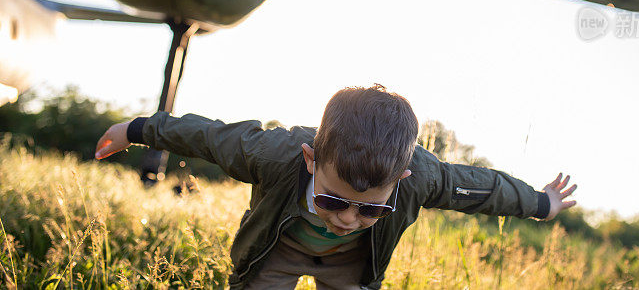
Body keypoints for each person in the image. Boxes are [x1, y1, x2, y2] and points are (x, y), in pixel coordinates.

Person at [95, 84, 577, 289]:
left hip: (351, 263)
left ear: (401, 181)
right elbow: (207, 136)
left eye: (371, 211)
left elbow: (479, 188)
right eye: (332, 200)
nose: (348, 219)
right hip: (277, 249)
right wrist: (136, 129)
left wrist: (539, 201)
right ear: (311, 160)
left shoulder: (419, 179)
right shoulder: (275, 156)